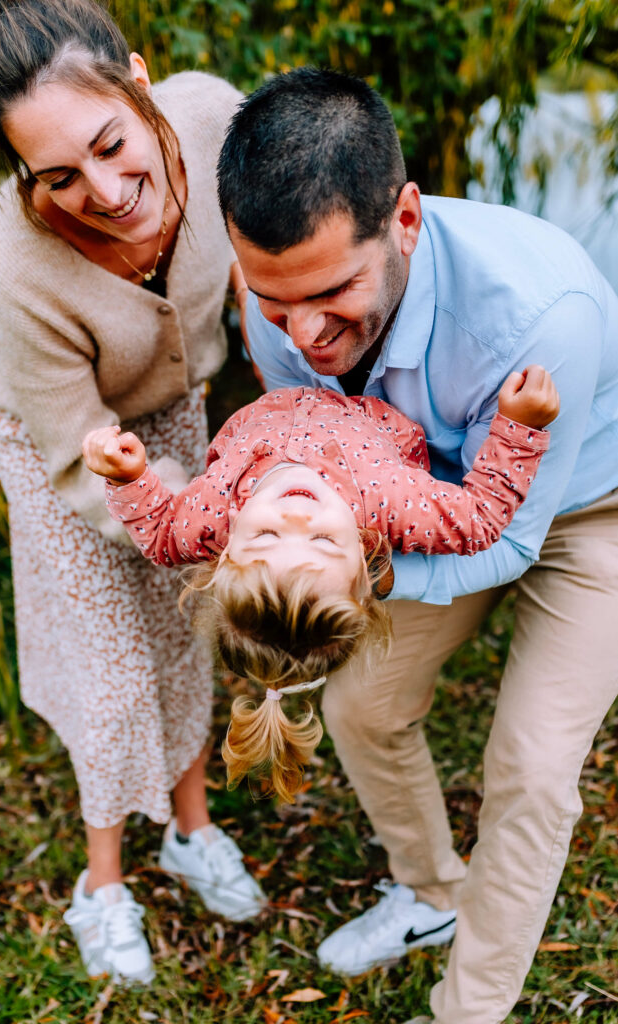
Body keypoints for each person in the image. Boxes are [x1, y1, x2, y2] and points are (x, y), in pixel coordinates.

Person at [216, 68, 618, 1024]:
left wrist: (364, 571)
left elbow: (509, 539)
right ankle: (430, 891)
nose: (303, 334)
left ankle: (467, 1009)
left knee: (530, 767)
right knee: (360, 705)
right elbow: (300, 436)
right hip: (419, 504)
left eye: (332, 292)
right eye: (274, 301)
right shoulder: (277, 294)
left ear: (403, 218)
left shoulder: (539, 312)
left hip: (588, 507)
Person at [0, 0, 265, 987]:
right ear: (22, 174)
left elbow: (274, 234)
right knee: (115, 665)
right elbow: (80, 452)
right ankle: (102, 883)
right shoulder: (14, 263)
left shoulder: (215, 118)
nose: (103, 192)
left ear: (138, 81)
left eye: (109, 145)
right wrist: (206, 522)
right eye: (57, 177)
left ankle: (190, 829)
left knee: (184, 622)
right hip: (65, 442)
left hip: (173, 402)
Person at [83, 371, 558, 802]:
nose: (297, 517)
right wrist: (520, 426)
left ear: (225, 555)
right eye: (324, 541)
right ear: (367, 573)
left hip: (282, 378)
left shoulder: (212, 517)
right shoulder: (388, 502)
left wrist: (127, 477)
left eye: (266, 535)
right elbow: (478, 519)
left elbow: (161, 536)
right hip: (367, 386)